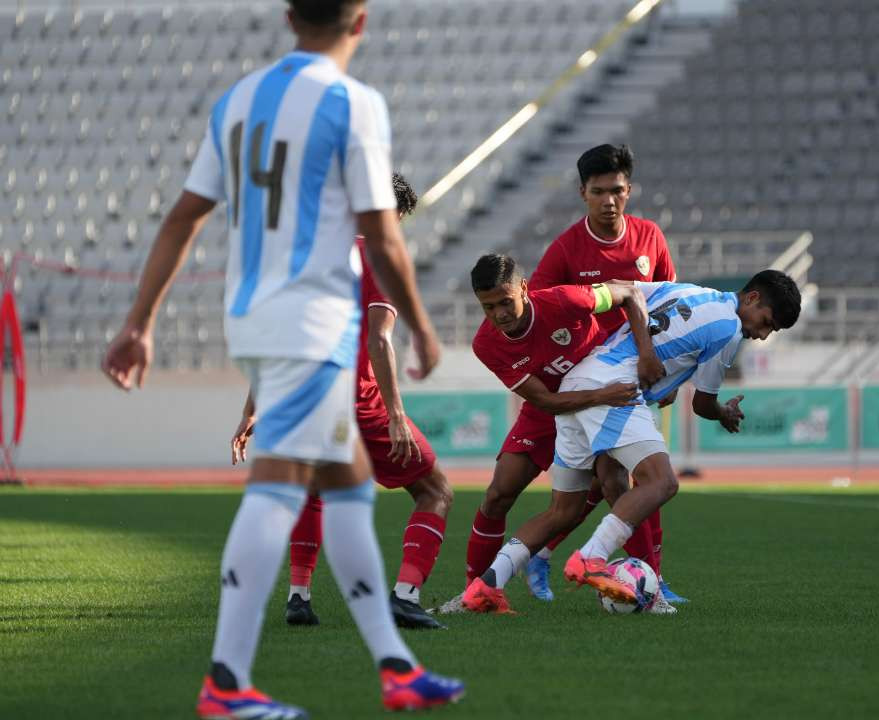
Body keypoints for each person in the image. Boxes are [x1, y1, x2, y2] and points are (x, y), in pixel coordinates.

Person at [101, 2, 463, 717]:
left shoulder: (238, 101)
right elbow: (383, 236)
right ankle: (226, 684)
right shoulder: (352, 103)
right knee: (277, 491)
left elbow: (182, 217)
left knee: (348, 489)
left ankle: (395, 666)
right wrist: (422, 327)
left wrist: (139, 321)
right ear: (360, 21)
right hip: (311, 324)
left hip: (260, 317)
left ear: (290, 15)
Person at [231, 174, 450, 631]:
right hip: (357, 397)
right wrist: (395, 414)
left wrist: (253, 406)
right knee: (434, 491)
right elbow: (378, 340)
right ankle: (405, 596)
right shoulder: (384, 258)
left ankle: (299, 596)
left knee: (312, 490)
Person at [555, 272, 802, 602]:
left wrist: (650, 354)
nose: (761, 334)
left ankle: (491, 581)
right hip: (615, 388)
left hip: (583, 375)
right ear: (752, 298)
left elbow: (627, 291)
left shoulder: (688, 291)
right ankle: (590, 557)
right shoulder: (729, 329)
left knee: (587, 496)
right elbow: (702, 404)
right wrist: (723, 413)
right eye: (766, 323)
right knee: (662, 483)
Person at [457, 254, 665, 614]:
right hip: (552, 406)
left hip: (597, 393)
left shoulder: (565, 299)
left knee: (615, 484)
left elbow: (630, 293)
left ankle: (654, 589)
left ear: (524, 288)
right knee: (497, 494)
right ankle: (474, 593)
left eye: (505, 302)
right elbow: (545, 400)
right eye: (488, 307)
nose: (499, 314)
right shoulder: (486, 343)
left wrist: (646, 354)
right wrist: (603, 395)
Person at [524, 143, 685, 604]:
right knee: (635, 481)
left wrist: (666, 371)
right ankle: (647, 580)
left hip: (637, 376)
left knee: (618, 483)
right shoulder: (568, 248)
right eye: (599, 191)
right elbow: (537, 305)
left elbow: (666, 302)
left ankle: (552, 555)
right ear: (583, 193)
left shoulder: (650, 237)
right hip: (589, 382)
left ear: (629, 190)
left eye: (617, 190)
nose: (609, 200)